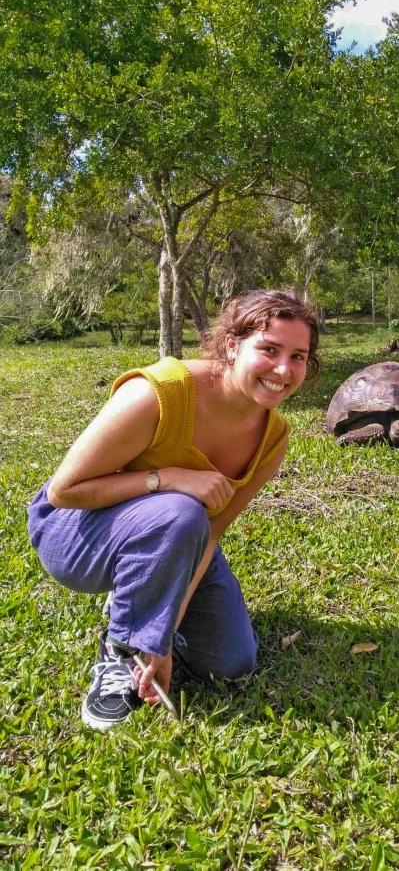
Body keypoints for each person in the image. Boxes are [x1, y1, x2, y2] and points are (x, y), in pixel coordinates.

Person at [27, 290, 319, 731]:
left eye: (298, 356)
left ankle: (143, 604)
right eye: (269, 349)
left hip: (177, 536)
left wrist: (162, 636)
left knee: (232, 664)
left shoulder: (272, 436)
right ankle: (120, 652)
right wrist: (166, 477)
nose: (283, 370)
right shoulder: (160, 392)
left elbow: (213, 531)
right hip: (76, 527)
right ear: (232, 345)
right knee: (181, 511)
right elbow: (66, 491)